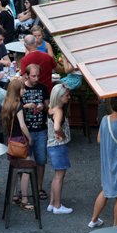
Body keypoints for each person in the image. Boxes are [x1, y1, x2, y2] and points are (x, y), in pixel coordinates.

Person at [89, 95, 117, 229]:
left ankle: (94, 220)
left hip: (107, 161)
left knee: (106, 190)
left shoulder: (104, 119)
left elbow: (99, 139)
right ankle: (116, 224)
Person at [1, 78, 34, 209]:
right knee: (26, 169)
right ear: (17, 90)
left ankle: (14, 196)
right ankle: (24, 199)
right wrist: (29, 138)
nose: (24, 91)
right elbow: (22, 125)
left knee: (14, 166)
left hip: (10, 141)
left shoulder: (7, 104)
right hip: (20, 140)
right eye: (22, 88)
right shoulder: (18, 105)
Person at [21, 63, 50, 202]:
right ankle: (23, 191)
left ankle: (38, 188)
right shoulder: (21, 88)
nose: (36, 78)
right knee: (23, 162)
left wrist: (43, 106)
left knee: (41, 161)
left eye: (38, 75)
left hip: (41, 130)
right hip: (25, 131)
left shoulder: (43, 88)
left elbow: (48, 107)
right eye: (33, 76)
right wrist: (26, 106)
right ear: (26, 75)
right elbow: (13, 106)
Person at [47, 83, 73, 214]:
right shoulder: (59, 111)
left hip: (52, 146)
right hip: (58, 146)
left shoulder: (51, 108)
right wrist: (62, 135)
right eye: (66, 95)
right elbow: (57, 127)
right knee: (59, 177)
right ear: (59, 96)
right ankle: (57, 206)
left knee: (56, 176)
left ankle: (52, 203)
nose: (69, 97)